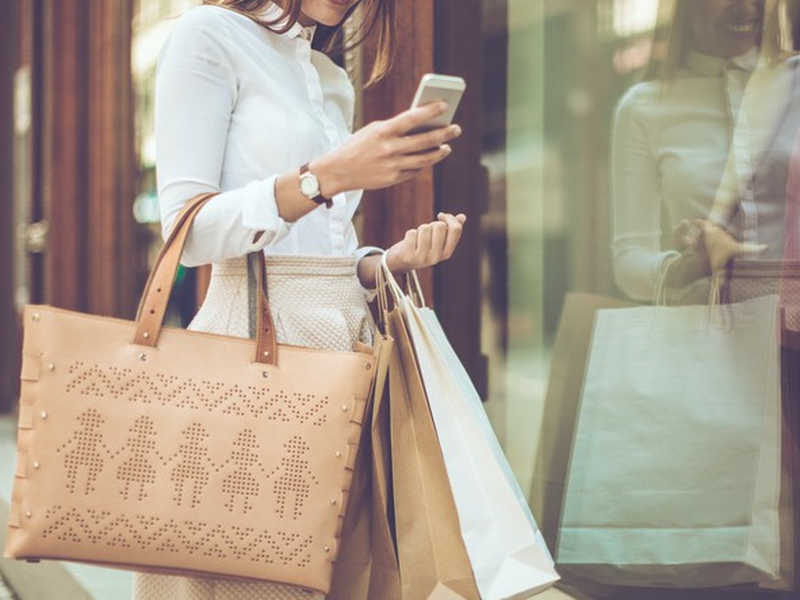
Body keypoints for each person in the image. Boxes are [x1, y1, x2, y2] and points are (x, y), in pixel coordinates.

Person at [132, 0, 465, 598]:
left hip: (345, 353)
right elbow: (189, 232)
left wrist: (381, 263)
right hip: (252, 348)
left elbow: (324, 247)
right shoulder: (208, 34)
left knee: (340, 574)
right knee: (250, 573)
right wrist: (322, 178)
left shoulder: (330, 79)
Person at [611, 0, 800, 305]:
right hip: (708, 339)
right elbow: (629, 260)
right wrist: (685, 267)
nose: (745, 8)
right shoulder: (642, 108)